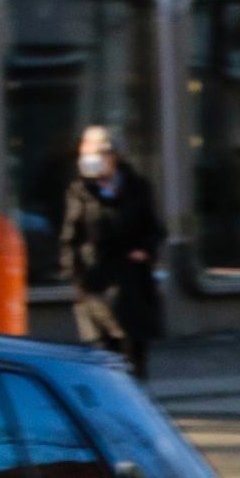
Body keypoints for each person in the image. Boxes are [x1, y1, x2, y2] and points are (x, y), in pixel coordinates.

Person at [60, 125, 166, 376]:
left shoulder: (137, 187)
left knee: (134, 353)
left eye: (97, 153)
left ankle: (135, 406)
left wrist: (144, 249)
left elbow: (155, 229)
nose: (90, 159)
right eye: (85, 153)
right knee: (103, 354)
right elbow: (70, 237)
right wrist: (76, 278)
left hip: (132, 283)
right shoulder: (80, 190)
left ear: (114, 155)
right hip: (96, 283)